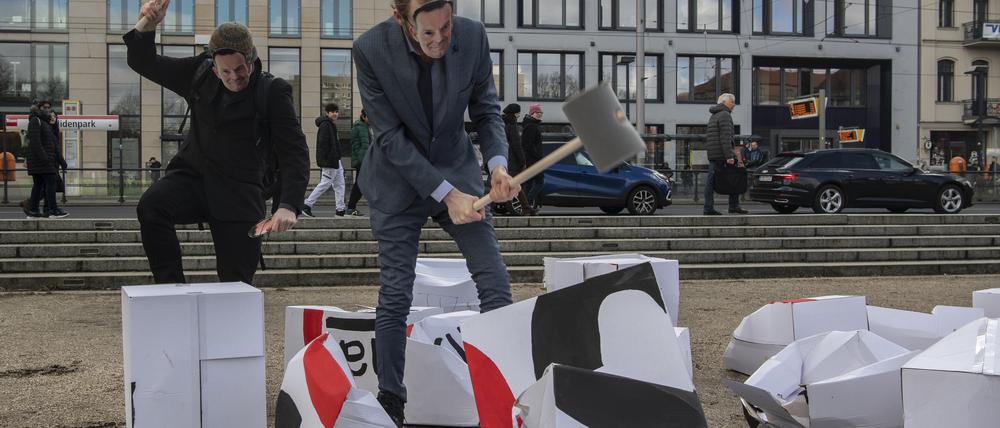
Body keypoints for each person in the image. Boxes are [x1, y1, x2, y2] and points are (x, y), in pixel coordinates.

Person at [353, 0, 519, 424]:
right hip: (396, 180)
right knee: (395, 294)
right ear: (402, 21)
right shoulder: (369, 49)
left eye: (446, 27)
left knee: (495, 280)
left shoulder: (474, 35)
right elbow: (389, 136)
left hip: (458, 169)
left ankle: (505, 394)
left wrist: (498, 165)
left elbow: (485, 109)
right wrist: (446, 195)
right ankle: (392, 400)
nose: (441, 39)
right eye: (429, 32)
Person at [125, 0, 310, 284]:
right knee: (151, 206)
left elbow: (294, 151)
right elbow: (144, 62)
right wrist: (147, 25)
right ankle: (170, 288)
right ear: (214, 68)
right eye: (226, 72)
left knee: (235, 285)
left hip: (240, 193)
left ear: (251, 61)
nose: (234, 78)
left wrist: (288, 205)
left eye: (240, 70)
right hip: (193, 180)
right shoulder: (197, 74)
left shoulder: (272, 91)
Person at [22, 99, 69, 219]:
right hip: (42, 161)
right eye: (44, 107)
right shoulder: (35, 121)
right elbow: (35, 143)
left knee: (39, 184)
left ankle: (34, 211)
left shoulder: (46, 124)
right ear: (39, 108)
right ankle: (52, 210)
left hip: (44, 161)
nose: (47, 109)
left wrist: (62, 162)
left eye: (49, 107)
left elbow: (54, 146)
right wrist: (46, 160)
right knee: (50, 182)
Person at [704, 93, 746, 215]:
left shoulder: (714, 115)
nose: (734, 104)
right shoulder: (725, 115)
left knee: (711, 181)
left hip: (714, 153)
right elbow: (726, 137)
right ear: (724, 102)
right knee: (735, 177)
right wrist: (729, 156)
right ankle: (731, 206)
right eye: (732, 102)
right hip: (722, 154)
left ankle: (710, 207)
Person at [302, 103, 346, 217]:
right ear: (327, 113)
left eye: (336, 111)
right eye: (332, 112)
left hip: (336, 159)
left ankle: (340, 209)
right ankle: (307, 205)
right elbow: (323, 145)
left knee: (340, 184)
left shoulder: (330, 125)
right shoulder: (326, 125)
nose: (335, 114)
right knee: (325, 183)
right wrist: (327, 160)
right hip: (330, 160)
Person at [502, 102, 532, 215]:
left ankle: (525, 207)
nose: (518, 116)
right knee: (515, 184)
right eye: (518, 114)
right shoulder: (511, 124)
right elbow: (516, 144)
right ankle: (525, 207)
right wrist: (522, 160)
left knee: (508, 185)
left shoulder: (502, 123)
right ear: (514, 114)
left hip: (504, 158)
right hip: (512, 160)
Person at [345, 109, 372, 216]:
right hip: (363, 160)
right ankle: (351, 208)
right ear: (364, 116)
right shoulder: (359, 127)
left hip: (366, 160)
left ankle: (351, 207)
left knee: (362, 184)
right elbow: (362, 146)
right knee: (360, 184)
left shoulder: (366, 127)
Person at [521, 103, 544, 214]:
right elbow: (527, 145)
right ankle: (526, 204)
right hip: (533, 160)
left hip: (531, 159)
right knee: (540, 182)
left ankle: (524, 206)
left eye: (541, 113)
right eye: (537, 112)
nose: (539, 114)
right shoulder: (531, 126)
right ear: (532, 113)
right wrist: (537, 156)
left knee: (529, 183)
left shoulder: (532, 125)